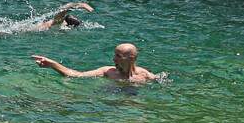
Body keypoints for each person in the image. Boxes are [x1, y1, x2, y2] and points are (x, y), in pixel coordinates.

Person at [32, 42, 163, 85]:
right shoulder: (108, 72)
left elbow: (161, 80)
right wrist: (53, 64)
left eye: (118, 56)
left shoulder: (144, 75)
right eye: (114, 55)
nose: (114, 59)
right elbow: (76, 75)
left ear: (131, 59)